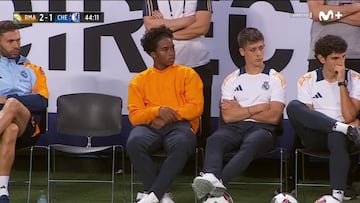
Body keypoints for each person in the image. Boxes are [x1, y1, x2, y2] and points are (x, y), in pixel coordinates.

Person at [191, 27, 286, 202]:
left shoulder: (275, 79)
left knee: (251, 142)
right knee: (215, 140)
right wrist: (257, 108)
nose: (259, 53)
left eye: (261, 48)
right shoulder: (231, 80)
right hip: (234, 127)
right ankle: (212, 179)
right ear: (242, 52)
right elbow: (228, 117)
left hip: (263, 130)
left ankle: (216, 188)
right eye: (253, 49)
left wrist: (240, 109)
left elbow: (273, 117)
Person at [126, 25, 203, 203]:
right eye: (165, 49)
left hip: (181, 125)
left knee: (183, 143)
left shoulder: (188, 75)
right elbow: (135, 116)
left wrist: (169, 115)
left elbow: (196, 108)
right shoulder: (139, 81)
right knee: (134, 142)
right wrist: (157, 112)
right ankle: (162, 195)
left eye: (172, 48)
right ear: (153, 54)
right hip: (150, 125)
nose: (171, 53)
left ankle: (153, 196)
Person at [286, 35, 360, 202]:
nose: (341, 63)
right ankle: (339, 127)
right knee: (293, 106)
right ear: (321, 58)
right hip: (315, 136)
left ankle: (336, 196)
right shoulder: (307, 80)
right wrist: (341, 125)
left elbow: (349, 115)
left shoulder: (354, 78)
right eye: (335, 58)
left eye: (343, 57)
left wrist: (341, 83)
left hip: (344, 137)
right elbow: (309, 119)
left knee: (336, 135)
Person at [143, 0, 213, 148]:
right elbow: (150, 27)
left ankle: (202, 163)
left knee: (200, 117)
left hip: (198, 65)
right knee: (166, 113)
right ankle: (171, 156)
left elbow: (202, 27)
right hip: (166, 68)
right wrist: (187, 21)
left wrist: (164, 29)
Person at [0, 20, 49, 203]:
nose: (16, 45)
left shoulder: (32, 69)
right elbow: (32, 98)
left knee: (12, 103)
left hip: (27, 126)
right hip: (7, 124)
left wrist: (7, 99)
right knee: (10, 129)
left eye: (18, 40)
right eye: (10, 41)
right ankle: (2, 191)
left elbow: (41, 101)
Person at [307, 0, 360, 72]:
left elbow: (321, 14)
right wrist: (355, 7)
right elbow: (316, 13)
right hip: (323, 55)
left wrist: (329, 16)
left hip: (356, 55)